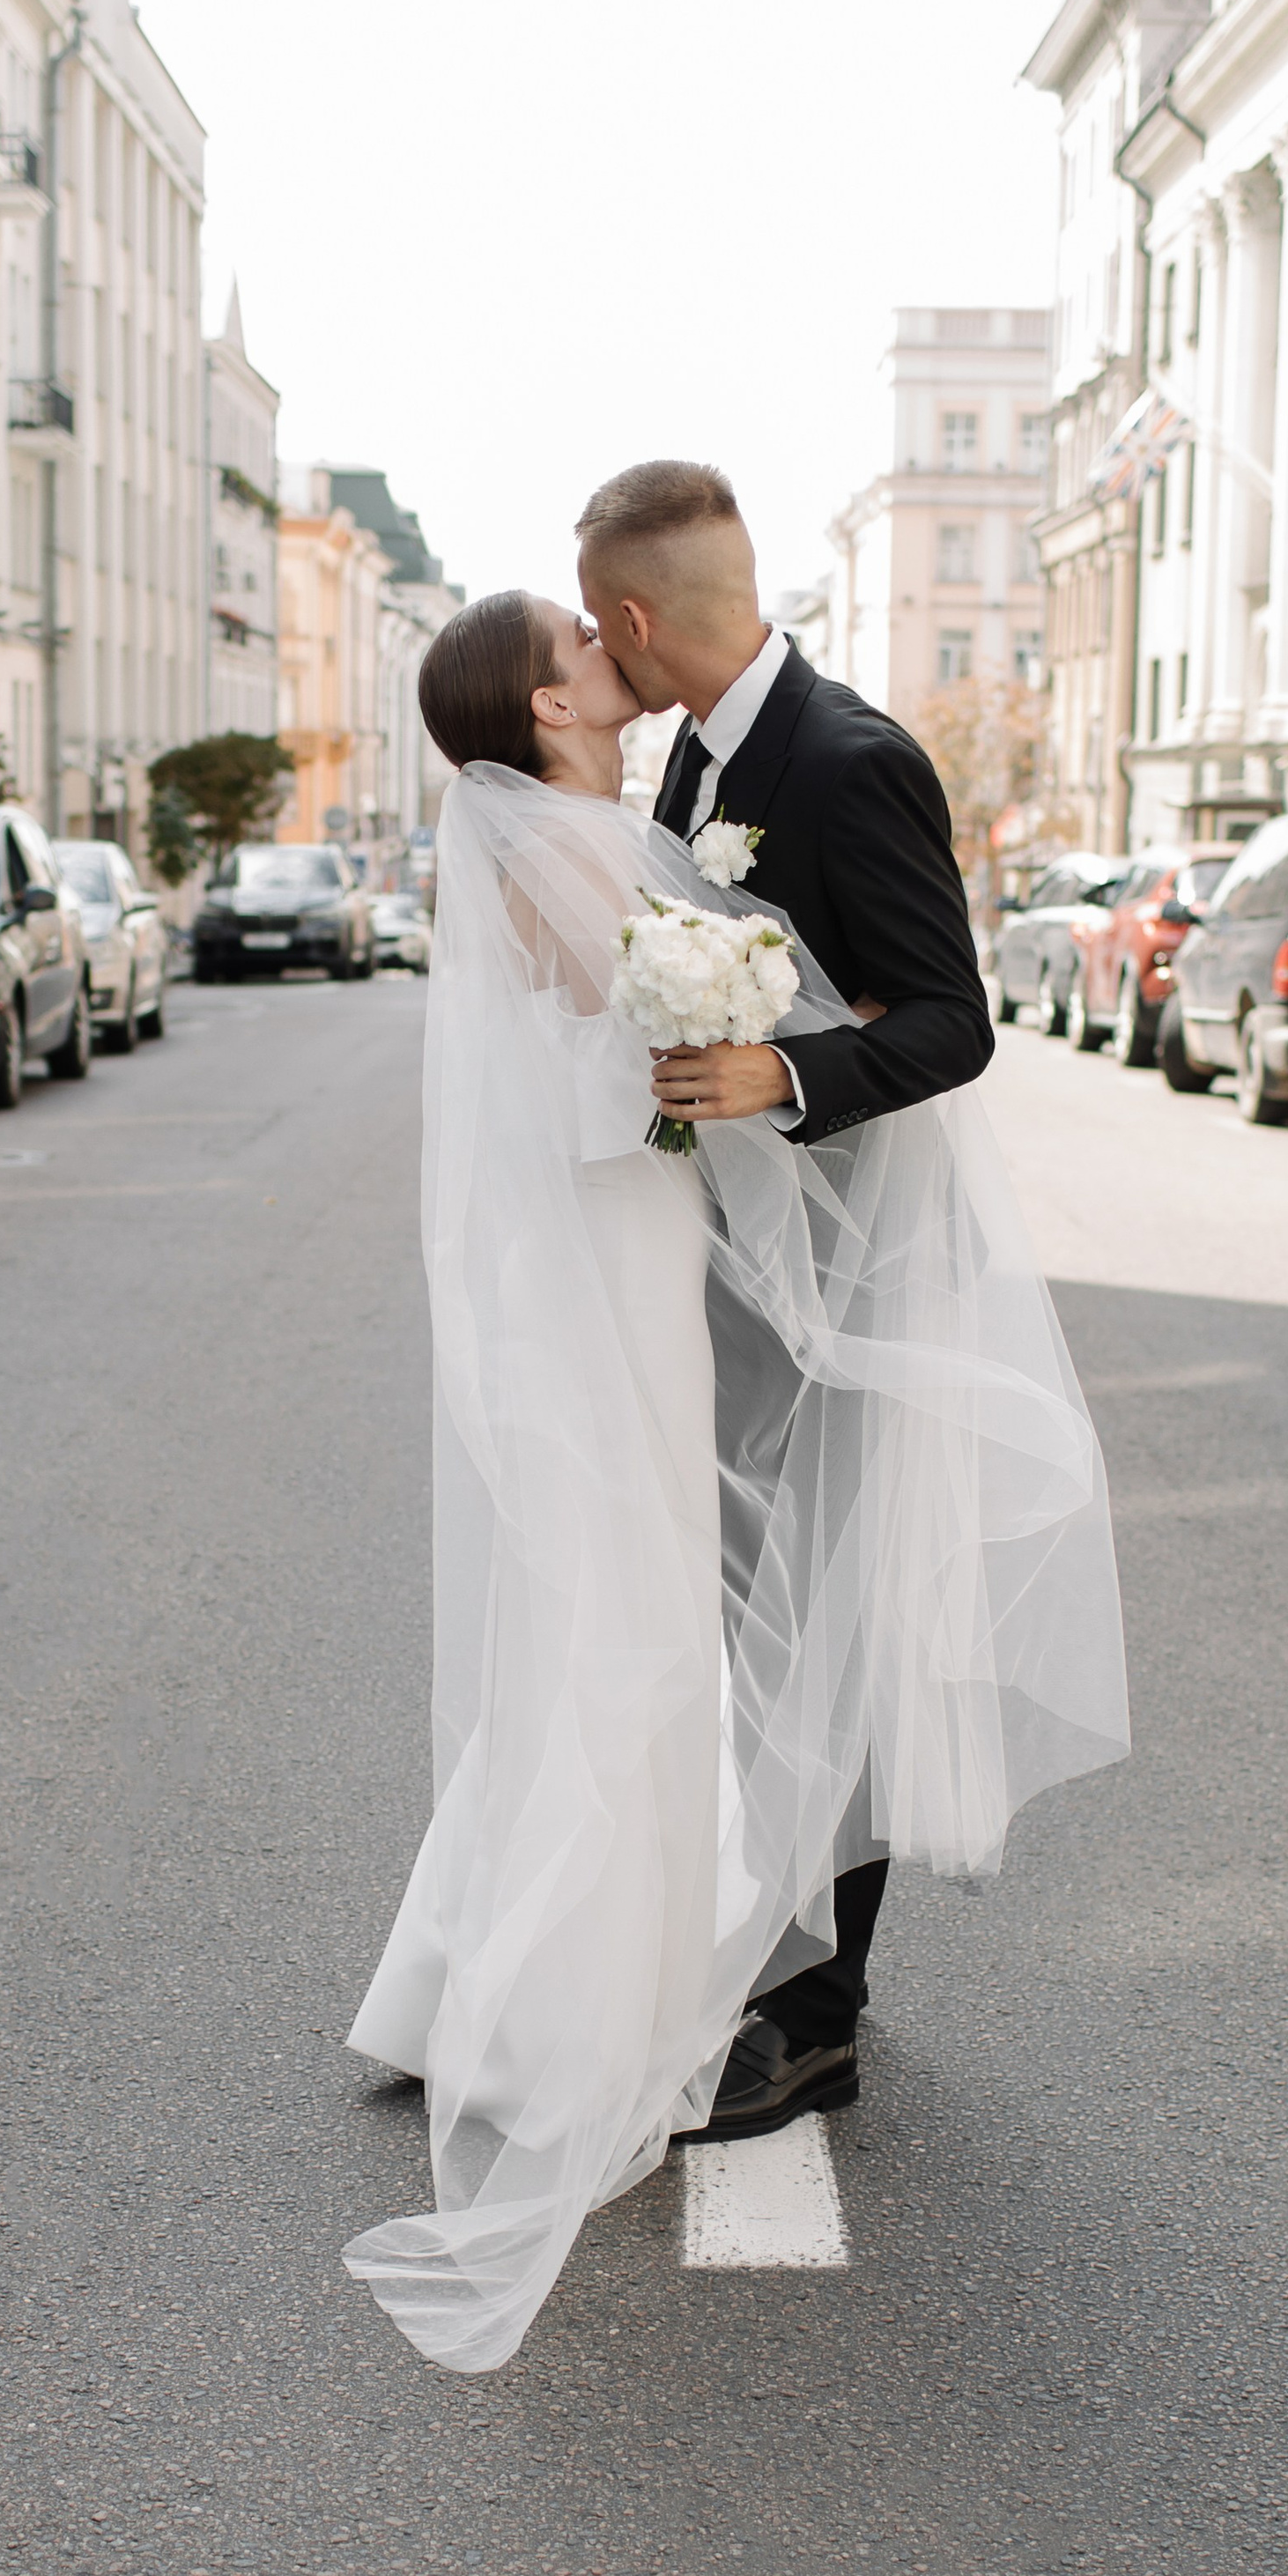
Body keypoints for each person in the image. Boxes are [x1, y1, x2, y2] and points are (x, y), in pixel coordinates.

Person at [343, 577, 1128, 2373]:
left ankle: (496, 1976)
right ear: (547, 704)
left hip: (623, 1269)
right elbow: (668, 1036)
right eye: (575, 653)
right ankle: (587, 2014)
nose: (604, 664)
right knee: (641, 1640)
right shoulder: (586, 840)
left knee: (619, 1630)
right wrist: (773, 1025)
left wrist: (776, 1032)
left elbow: (742, 1022)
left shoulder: (596, 817)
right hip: (629, 1280)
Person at [576, 458, 996, 2137]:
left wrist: (780, 1069)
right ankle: (760, 1946)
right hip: (745, 1263)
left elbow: (953, 1021)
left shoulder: (848, 757)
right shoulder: (697, 752)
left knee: (833, 1626)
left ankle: (820, 2010)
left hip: (854, 1268)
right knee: (762, 1624)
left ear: (625, 616)